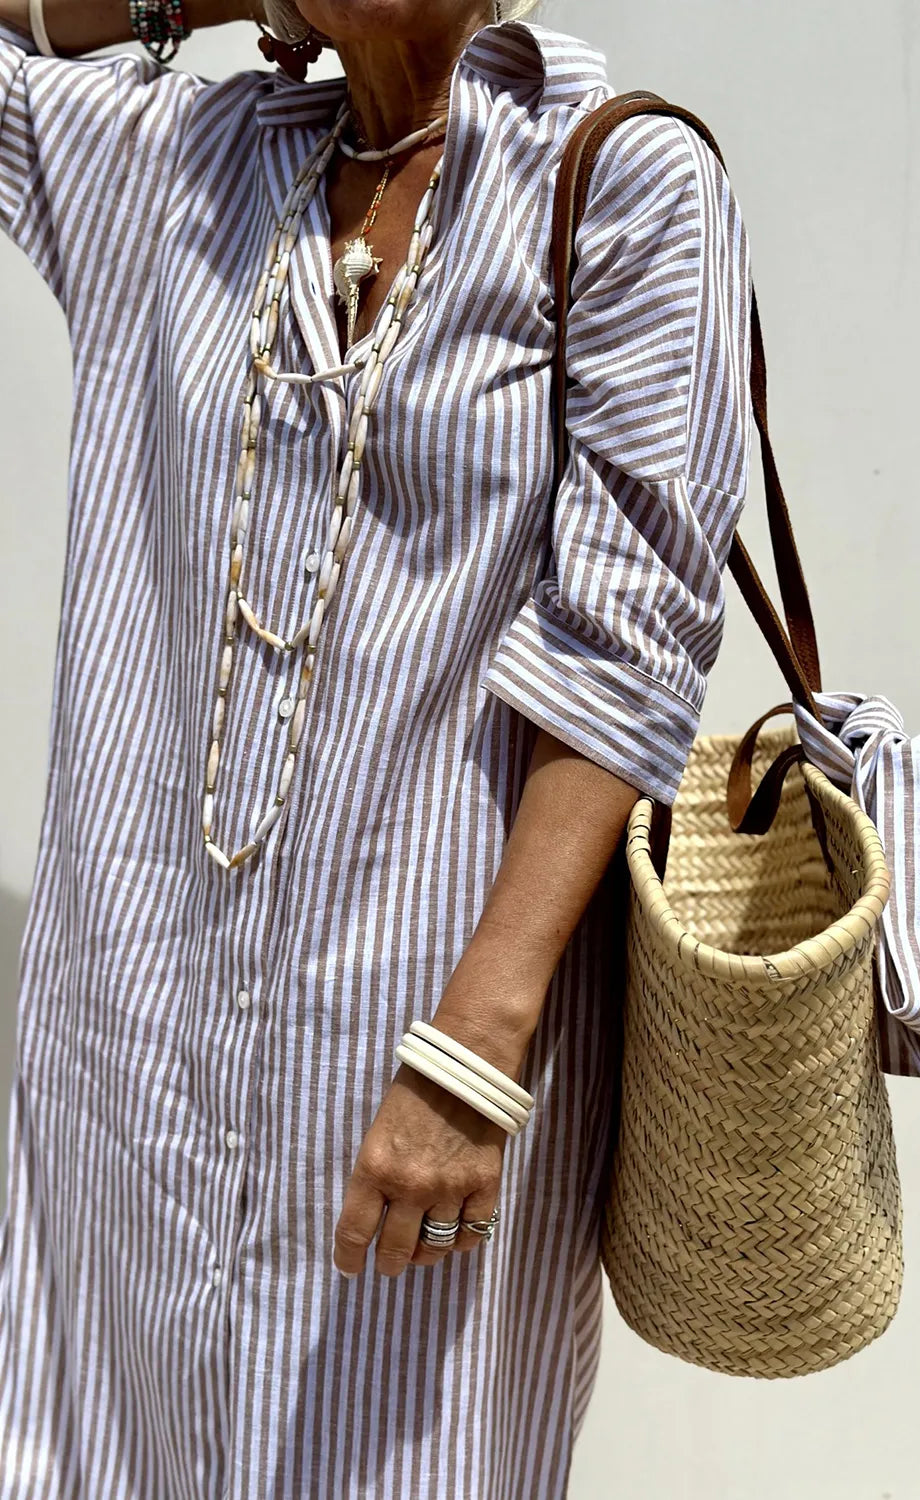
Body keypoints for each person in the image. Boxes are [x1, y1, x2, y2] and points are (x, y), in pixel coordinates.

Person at [0, 0, 752, 1493]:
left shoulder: (613, 179)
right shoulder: (183, 163)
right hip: (134, 1051)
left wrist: (470, 1060)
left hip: (425, 1037)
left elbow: (629, 646)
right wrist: (187, 7)